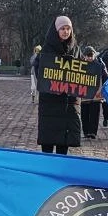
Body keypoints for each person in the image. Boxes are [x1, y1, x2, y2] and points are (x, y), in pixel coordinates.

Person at [36, 15, 81, 155]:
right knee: (48, 140)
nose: (66, 31)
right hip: (50, 101)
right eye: (62, 28)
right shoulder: (46, 49)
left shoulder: (75, 49)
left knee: (64, 142)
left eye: (68, 28)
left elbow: (82, 72)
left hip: (68, 101)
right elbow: (39, 70)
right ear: (56, 30)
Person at [79, 44, 106, 140]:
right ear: (84, 56)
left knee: (95, 114)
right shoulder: (80, 65)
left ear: (94, 55)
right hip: (84, 93)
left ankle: (93, 132)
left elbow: (106, 76)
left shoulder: (100, 65)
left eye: (91, 55)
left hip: (96, 93)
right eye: (88, 55)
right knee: (84, 114)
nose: (90, 57)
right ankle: (86, 132)